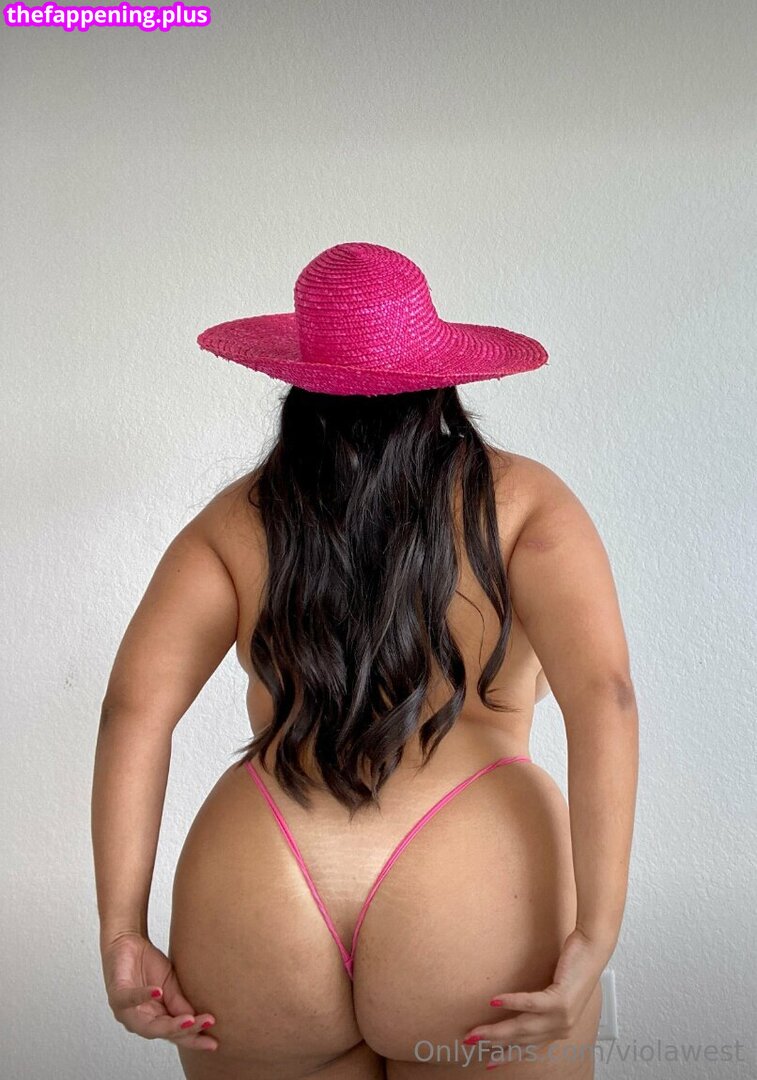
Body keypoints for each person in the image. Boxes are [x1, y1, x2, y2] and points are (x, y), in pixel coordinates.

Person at [91, 242, 638, 1079]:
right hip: (475, 875)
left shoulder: (233, 520)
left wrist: (121, 933)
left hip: (261, 870)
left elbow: (133, 709)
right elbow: (605, 698)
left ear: (297, 382)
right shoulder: (526, 502)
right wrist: (596, 932)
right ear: (440, 377)